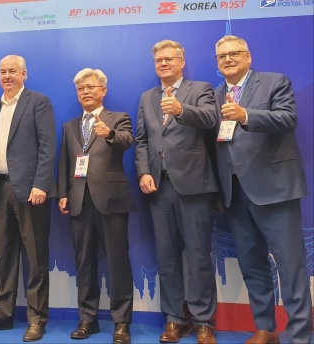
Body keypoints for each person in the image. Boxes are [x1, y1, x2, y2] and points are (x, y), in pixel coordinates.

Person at [212, 35, 312, 344]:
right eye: (221, 56)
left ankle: (300, 336)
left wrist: (246, 115)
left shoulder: (274, 82)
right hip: (235, 194)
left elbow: (288, 119)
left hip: (275, 191)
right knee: (252, 267)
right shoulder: (216, 94)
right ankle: (266, 330)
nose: (227, 59)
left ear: (248, 56)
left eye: (234, 54)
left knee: (290, 269)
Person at [134, 40, 218, 344]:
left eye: (169, 59)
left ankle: (204, 321)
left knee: (198, 257)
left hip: (195, 186)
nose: (163, 64)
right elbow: (141, 140)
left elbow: (211, 119)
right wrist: (143, 171)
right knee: (166, 257)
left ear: (182, 62)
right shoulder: (147, 97)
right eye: (158, 61)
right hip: (159, 187)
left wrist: (182, 109)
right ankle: (174, 319)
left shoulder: (201, 88)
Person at [0, 54, 57, 342]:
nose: (7, 76)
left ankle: (36, 318)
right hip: (1, 190)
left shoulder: (38, 101)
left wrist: (41, 184)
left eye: (12, 71)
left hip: (31, 191)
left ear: (24, 74)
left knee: (35, 257)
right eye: (2, 71)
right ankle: (4, 314)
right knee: (5, 256)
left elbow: (48, 146)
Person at [57, 68, 135, 343]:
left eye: (91, 87)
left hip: (111, 201)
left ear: (103, 90)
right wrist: (63, 193)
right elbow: (66, 162)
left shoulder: (119, 118)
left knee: (117, 264)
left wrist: (110, 133)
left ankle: (122, 322)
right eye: (81, 89)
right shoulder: (69, 126)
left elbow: (127, 141)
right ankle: (87, 319)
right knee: (85, 263)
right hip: (79, 201)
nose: (86, 92)